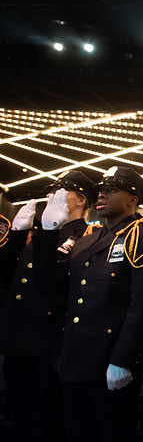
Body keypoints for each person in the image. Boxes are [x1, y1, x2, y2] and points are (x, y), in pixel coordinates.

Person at [31, 165, 143, 442]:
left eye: (112, 189)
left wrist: (122, 359)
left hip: (110, 359)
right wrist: (45, 233)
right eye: (101, 189)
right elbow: (47, 284)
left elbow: (142, 304)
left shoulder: (141, 235)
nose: (101, 193)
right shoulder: (88, 238)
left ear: (132, 200)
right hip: (75, 359)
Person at [0, 170, 96, 442]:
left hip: (49, 339)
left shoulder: (86, 234)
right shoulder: (41, 230)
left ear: (80, 200)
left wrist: (48, 233)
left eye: (61, 190)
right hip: (20, 337)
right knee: (17, 417)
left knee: (45, 418)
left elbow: (55, 283)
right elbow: (7, 276)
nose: (51, 195)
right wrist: (17, 235)